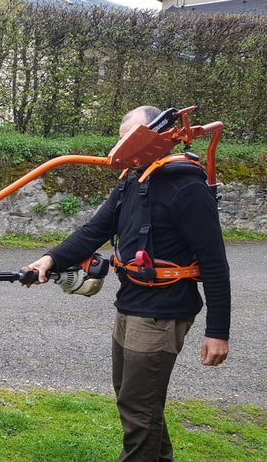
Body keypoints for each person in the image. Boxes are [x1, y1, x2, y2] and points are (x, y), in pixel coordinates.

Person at [25, 106, 231, 461]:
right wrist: (51, 259)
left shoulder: (185, 185)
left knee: (138, 409)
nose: (119, 144)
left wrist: (218, 331)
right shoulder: (134, 180)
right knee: (136, 401)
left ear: (153, 135)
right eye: (119, 136)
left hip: (162, 314)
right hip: (130, 304)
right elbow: (96, 230)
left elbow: (214, 261)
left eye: (126, 135)